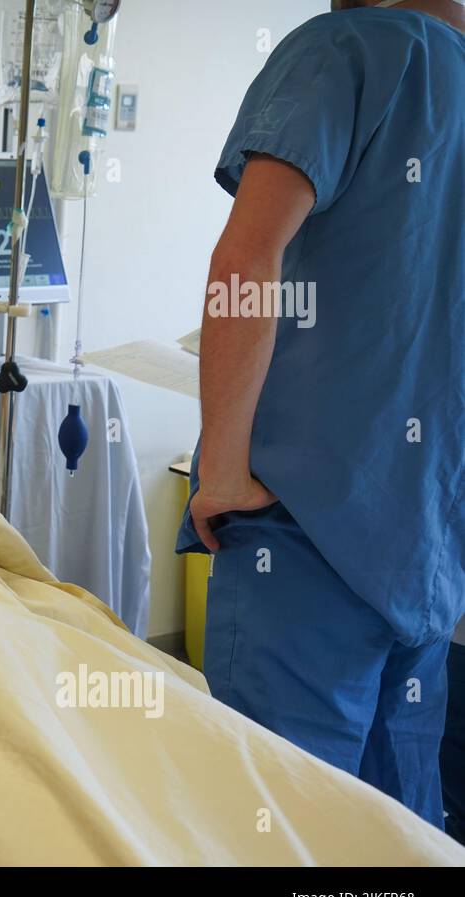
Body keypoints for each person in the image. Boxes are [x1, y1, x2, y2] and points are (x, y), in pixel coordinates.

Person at [177, 0, 464, 827]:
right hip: (426, 546)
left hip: (308, 530)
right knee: (396, 832)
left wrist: (225, 471)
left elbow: (247, 256)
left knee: (277, 823)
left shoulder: (348, 49)